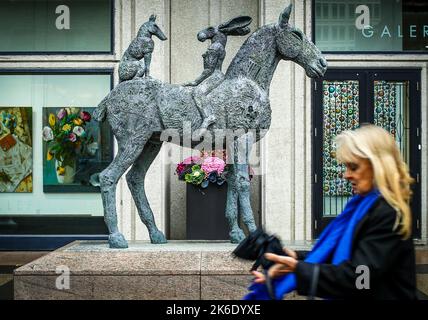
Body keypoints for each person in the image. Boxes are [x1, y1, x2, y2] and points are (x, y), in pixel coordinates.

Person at [246, 124, 417, 300]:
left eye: (353, 167)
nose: (346, 174)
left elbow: (361, 278)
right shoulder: (361, 206)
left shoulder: (387, 213)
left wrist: (299, 270)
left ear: (378, 166)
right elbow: (344, 257)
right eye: (346, 167)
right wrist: (298, 258)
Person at [183, 16, 252, 132]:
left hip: (214, 76)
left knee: (197, 93)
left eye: (210, 30)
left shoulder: (214, 47)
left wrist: (195, 81)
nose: (207, 32)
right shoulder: (220, 46)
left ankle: (208, 116)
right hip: (218, 75)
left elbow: (208, 71)